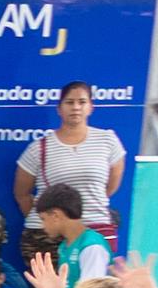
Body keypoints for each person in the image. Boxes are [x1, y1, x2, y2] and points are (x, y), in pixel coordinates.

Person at [10, 81, 127, 240]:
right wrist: (48, 221)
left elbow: (110, 187)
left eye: (82, 102)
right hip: (50, 237)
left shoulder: (108, 141)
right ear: (59, 109)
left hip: (95, 230)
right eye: (69, 102)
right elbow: (22, 194)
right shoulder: (38, 148)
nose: (76, 107)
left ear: (91, 107)